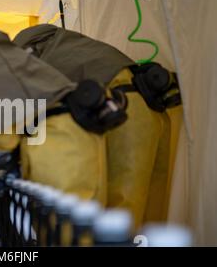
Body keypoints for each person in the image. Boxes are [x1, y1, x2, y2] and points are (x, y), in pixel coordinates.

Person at [13, 24, 182, 227]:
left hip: (122, 110)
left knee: (117, 218)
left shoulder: (25, 54)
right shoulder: (66, 44)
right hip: (151, 104)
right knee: (151, 213)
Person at [0, 14, 127, 204]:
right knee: (94, 219)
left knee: (64, 226)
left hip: (57, 142)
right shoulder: (13, 54)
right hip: (84, 129)